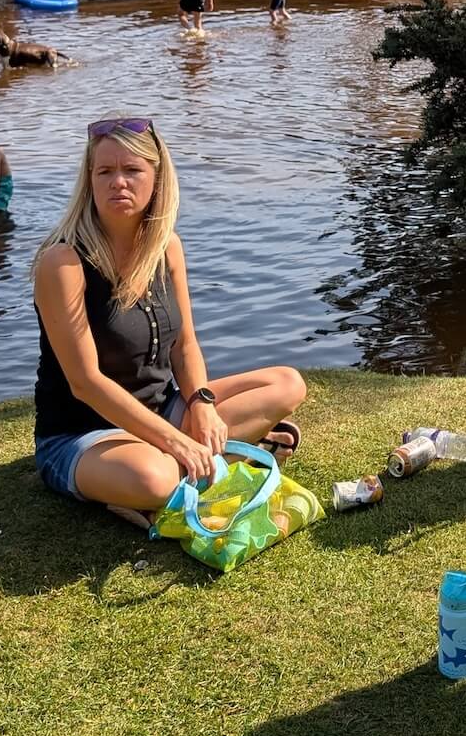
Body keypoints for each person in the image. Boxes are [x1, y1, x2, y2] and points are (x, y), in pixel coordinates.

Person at [32, 118, 307, 521]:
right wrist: (177, 444)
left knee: (287, 384)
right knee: (154, 479)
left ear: (157, 178)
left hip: (163, 410)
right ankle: (199, 463)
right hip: (83, 434)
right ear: (89, 179)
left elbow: (185, 346)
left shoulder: (167, 248)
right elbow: (85, 383)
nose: (118, 182)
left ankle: (195, 459)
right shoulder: (63, 263)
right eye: (105, 171)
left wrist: (200, 403)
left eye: (132, 170)